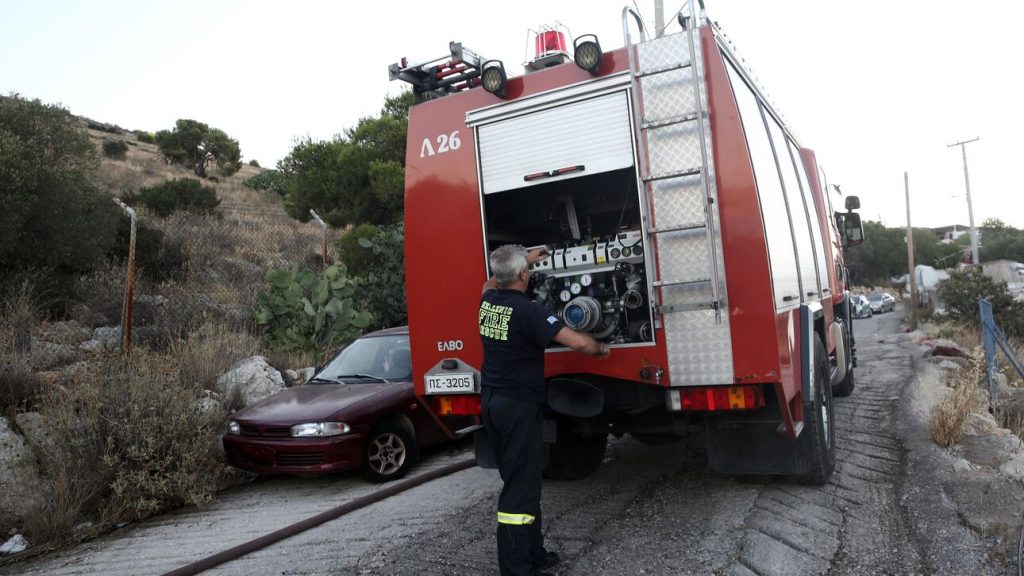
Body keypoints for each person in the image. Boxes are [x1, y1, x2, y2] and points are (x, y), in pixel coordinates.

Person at [479, 244, 610, 576]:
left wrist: (526, 259)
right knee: (518, 492)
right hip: (518, 406)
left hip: (495, 402)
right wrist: (599, 348)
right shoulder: (529, 312)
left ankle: (534, 555)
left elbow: (487, 283)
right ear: (524, 275)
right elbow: (579, 343)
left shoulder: (488, 300)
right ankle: (516, 568)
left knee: (524, 482)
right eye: (526, 269)